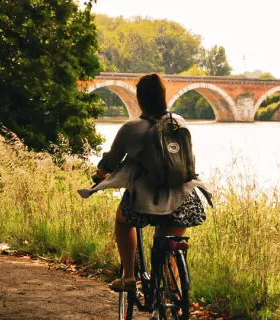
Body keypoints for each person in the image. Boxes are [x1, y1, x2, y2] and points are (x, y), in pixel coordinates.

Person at [81, 73, 212, 292]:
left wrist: (100, 175)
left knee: (123, 221)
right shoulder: (178, 122)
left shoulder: (131, 128)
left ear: (140, 100)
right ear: (163, 97)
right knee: (169, 241)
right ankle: (176, 298)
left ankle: (129, 277)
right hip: (184, 201)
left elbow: (111, 162)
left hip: (143, 202)